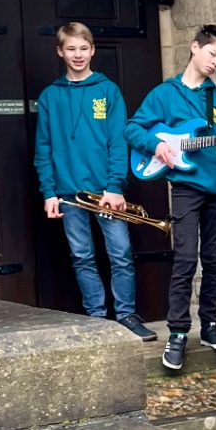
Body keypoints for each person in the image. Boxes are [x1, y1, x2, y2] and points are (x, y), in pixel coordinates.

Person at [34, 22, 156, 341]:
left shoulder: (107, 90)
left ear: (93, 51)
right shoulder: (50, 96)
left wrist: (115, 186)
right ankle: (97, 318)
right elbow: (43, 147)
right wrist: (49, 192)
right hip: (68, 194)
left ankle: (127, 314)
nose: (78, 55)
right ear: (60, 51)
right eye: (71, 48)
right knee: (82, 256)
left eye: (83, 48)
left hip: (106, 193)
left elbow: (118, 141)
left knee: (120, 252)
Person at [124, 24, 216, 370]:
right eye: (213, 54)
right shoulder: (164, 94)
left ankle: (211, 325)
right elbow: (132, 128)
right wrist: (156, 144)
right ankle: (177, 333)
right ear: (194, 47)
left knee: (214, 260)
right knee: (185, 259)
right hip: (186, 187)